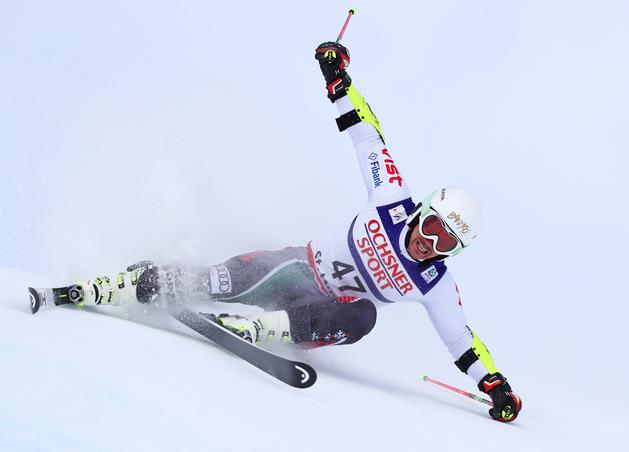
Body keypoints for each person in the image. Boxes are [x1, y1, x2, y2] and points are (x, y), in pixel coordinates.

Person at [66, 42, 522, 422]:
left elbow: (461, 341)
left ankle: (260, 328)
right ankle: (138, 282)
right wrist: (337, 80)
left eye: (445, 242)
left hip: (316, 316)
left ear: (454, 251)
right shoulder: (391, 199)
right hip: (290, 269)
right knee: (218, 280)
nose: (430, 241)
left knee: (364, 314)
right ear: (421, 211)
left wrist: (496, 386)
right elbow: (367, 136)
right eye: (431, 226)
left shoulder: (435, 283)